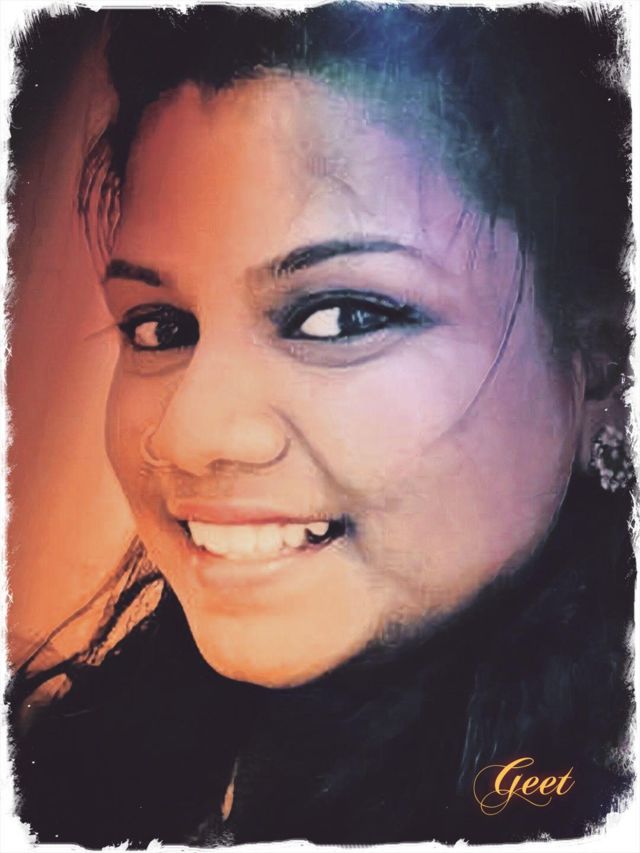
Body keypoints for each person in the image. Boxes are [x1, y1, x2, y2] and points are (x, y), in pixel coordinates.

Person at [7, 3, 635, 847]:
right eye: (159, 327)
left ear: (602, 366)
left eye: (340, 316)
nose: (189, 435)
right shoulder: (74, 761)